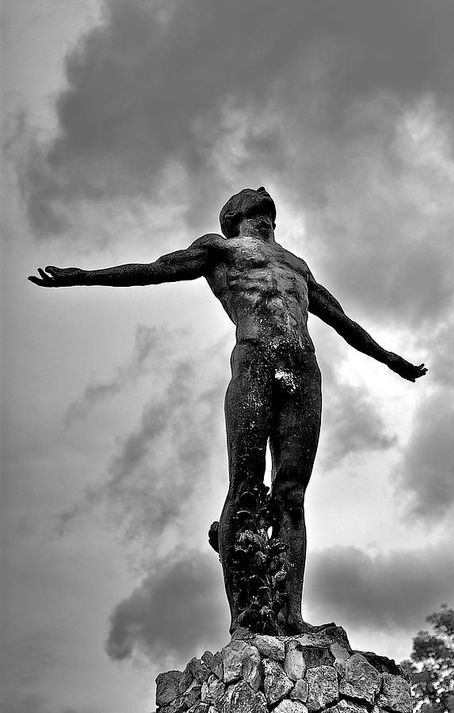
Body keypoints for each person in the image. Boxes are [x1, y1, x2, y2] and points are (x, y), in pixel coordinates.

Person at [29, 186, 427, 634]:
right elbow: (154, 270)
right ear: (234, 215)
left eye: (267, 205)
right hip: (255, 362)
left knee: (291, 494)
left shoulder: (297, 265)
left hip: (304, 371)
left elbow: (343, 320)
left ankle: (291, 616)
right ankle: (244, 618)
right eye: (254, 203)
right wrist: (84, 276)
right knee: (245, 484)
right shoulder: (217, 249)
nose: (263, 202)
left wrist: (391, 359)